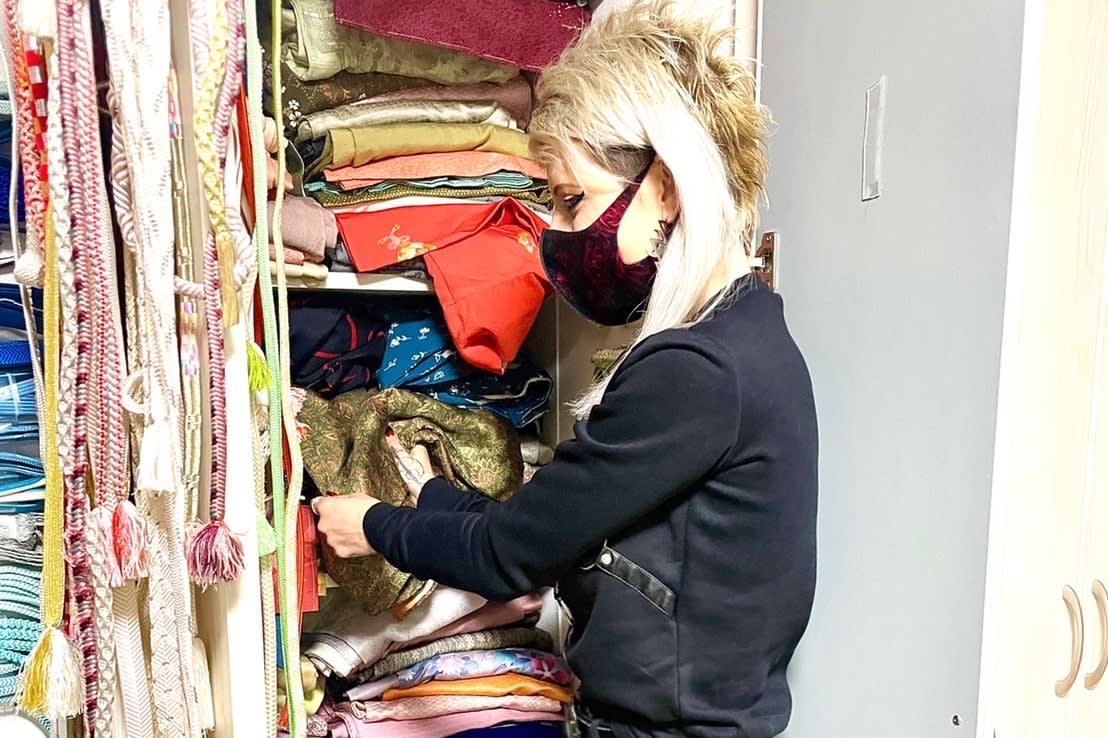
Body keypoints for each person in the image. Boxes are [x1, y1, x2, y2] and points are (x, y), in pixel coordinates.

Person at [313, 2, 818, 736]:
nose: (556, 234)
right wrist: (430, 498)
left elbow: (511, 557)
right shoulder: (745, 341)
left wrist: (373, 525)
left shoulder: (696, 370)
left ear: (665, 186)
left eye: (572, 200)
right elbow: (553, 528)